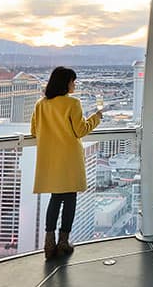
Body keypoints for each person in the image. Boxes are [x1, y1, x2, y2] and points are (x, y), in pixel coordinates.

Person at [31, 66, 102, 260]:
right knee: (70, 199)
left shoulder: (41, 104)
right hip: (69, 158)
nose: (74, 84)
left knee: (55, 199)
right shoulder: (73, 103)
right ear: (66, 83)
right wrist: (96, 118)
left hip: (50, 158)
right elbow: (80, 130)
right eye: (73, 80)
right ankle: (63, 242)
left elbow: (34, 131)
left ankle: (49, 242)